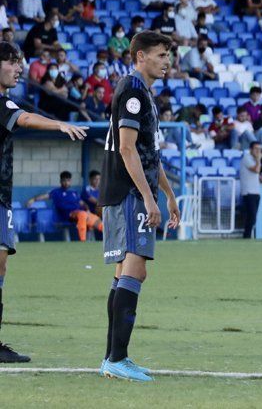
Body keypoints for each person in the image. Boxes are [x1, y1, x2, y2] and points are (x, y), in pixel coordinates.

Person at [98, 32, 181, 381]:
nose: (167, 61)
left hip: (129, 192)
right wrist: (149, 198)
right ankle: (117, 358)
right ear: (140, 56)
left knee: (123, 274)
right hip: (130, 194)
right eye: (161, 55)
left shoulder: (143, 92)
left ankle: (113, 358)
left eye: (168, 56)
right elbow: (127, 149)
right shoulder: (132, 91)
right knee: (135, 270)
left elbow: (150, 153)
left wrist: (169, 193)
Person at [0, 42, 88, 363]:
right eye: (12, 62)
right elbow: (24, 120)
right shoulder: (1, 104)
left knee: (1, 265)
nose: (19, 69)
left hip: (3, 197)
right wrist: (58, 124)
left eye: (21, 63)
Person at [28, 171, 104, 242]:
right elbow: (45, 196)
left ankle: (111, 237)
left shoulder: (73, 193)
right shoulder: (56, 192)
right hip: (67, 216)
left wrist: (87, 210)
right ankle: (83, 241)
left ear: (70, 181)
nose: (66, 183)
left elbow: (82, 203)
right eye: (64, 180)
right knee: (83, 215)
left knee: (95, 218)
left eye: (68, 181)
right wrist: (33, 199)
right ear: (60, 181)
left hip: (78, 214)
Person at [240, 142, 262, 239]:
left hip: (256, 191)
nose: (258, 151)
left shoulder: (254, 159)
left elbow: (257, 173)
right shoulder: (247, 158)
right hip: (249, 192)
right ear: (251, 149)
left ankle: (248, 236)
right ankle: (246, 236)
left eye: (259, 149)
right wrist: (258, 160)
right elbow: (256, 170)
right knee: (251, 216)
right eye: (256, 149)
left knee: (253, 217)